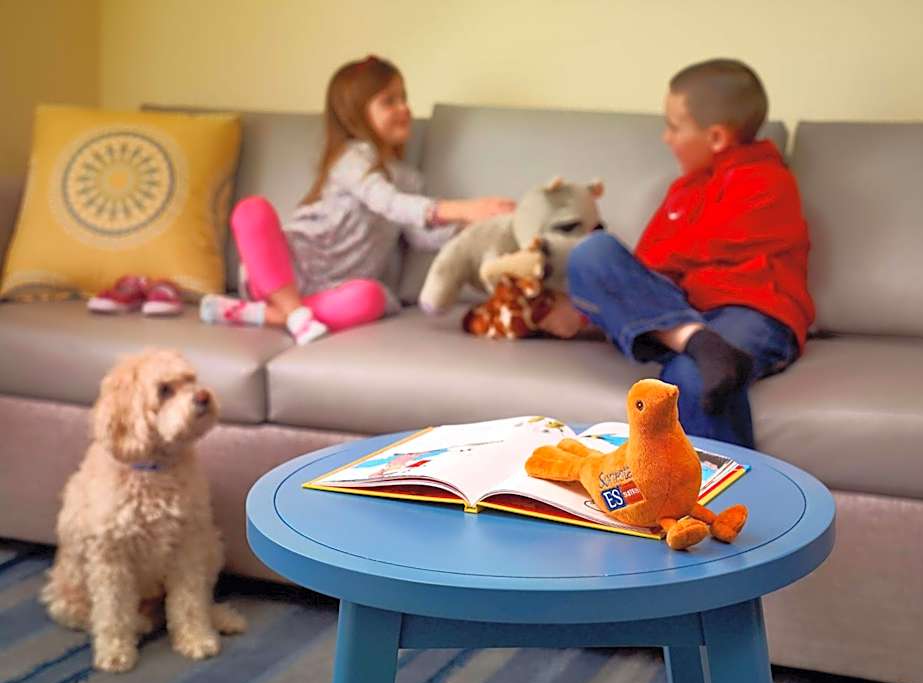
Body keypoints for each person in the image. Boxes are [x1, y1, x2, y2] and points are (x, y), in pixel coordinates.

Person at [540, 58, 814, 448]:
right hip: (682, 311)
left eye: (673, 126)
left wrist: (626, 292)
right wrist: (590, 309)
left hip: (750, 312)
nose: (665, 138)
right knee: (592, 252)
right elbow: (648, 268)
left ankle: (723, 484)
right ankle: (696, 340)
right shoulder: (682, 191)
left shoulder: (768, 181)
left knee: (691, 380)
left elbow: (692, 251)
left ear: (716, 137)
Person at [201, 55, 514, 344]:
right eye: (389, 101)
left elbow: (420, 236)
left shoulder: (410, 179)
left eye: (404, 98)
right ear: (356, 115)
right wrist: (463, 208)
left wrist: (476, 228)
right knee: (251, 211)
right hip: (284, 272)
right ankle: (290, 312)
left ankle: (274, 316)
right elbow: (387, 202)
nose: (404, 108)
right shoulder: (352, 157)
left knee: (372, 297)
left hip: (335, 290)